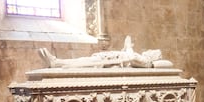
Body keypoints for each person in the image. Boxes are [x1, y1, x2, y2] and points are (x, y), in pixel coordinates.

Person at [38, 35, 173, 69]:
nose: (148, 51)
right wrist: (126, 48)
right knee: (85, 60)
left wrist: (128, 47)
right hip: (110, 58)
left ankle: (57, 62)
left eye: (152, 52)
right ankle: (57, 62)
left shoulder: (146, 62)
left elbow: (131, 58)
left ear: (152, 57)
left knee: (85, 62)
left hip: (110, 62)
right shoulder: (142, 58)